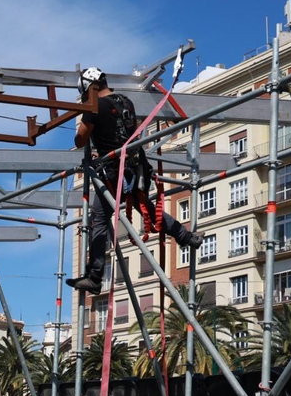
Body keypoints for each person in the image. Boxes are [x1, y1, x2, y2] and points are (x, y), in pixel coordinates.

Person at [67, 67, 203, 294]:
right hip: (134, 169)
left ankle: (95, 277)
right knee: (149, 210)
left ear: (91, 88)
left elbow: (80, 139)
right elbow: (120, 133)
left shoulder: (94, 106)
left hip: (113, 172)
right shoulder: (126, 102)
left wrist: (86, 120)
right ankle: (186, 236)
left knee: (98, 220)